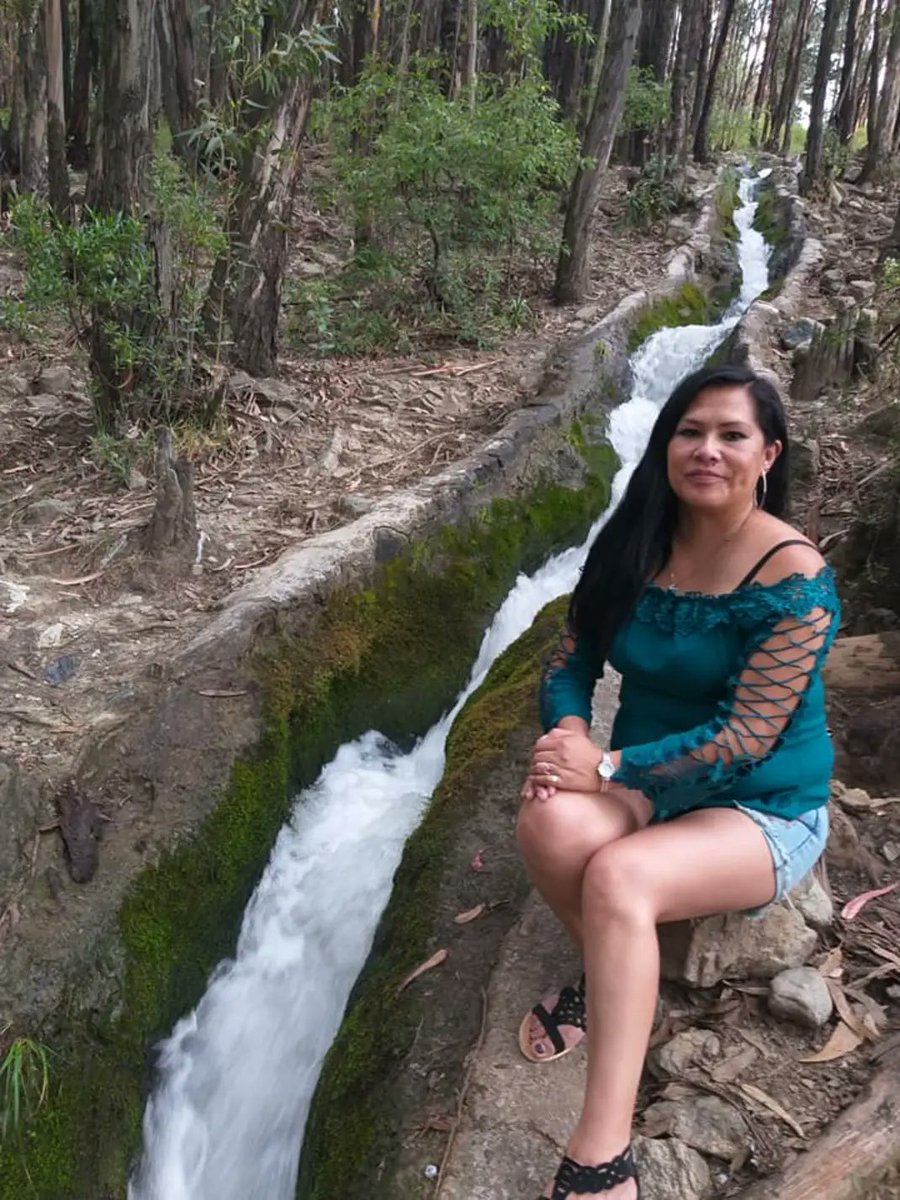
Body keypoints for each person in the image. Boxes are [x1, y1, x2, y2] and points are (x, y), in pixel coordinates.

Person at [516, 364, 841, 1200]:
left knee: (619, 876)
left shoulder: (792, 573)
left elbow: (746, 737)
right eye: (690, 432)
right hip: (653, 782)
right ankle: (616, 975)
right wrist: (571, 734)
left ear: (768, 454)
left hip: (761, 801)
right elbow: (570, 660)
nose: (707, 450)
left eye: (732, 435)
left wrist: (611, 769)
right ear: (666, 444)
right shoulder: (637, 540)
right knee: (548, 822)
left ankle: (602, 1155)